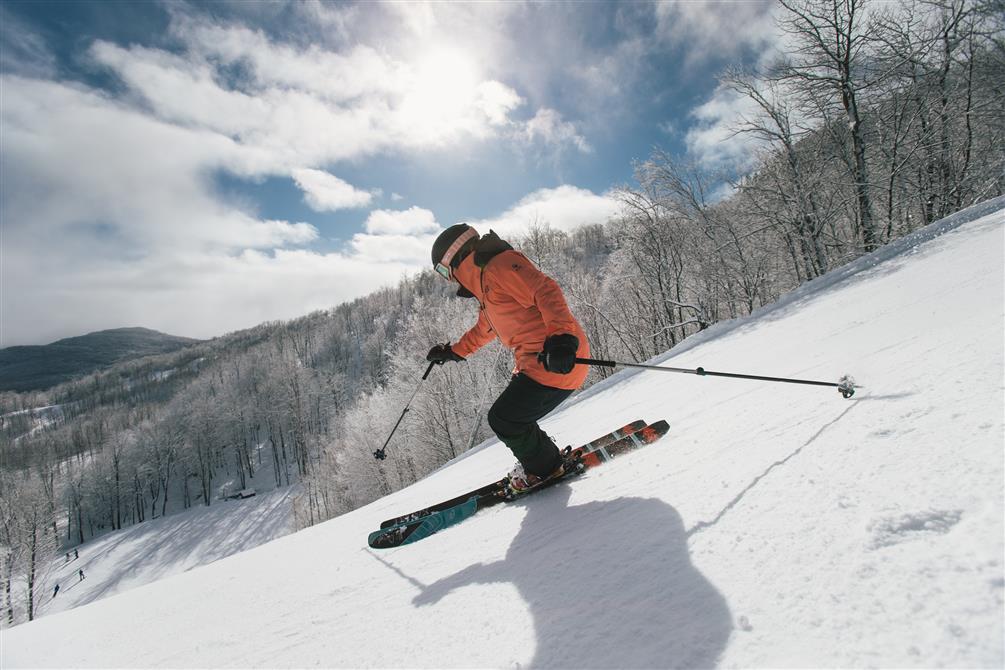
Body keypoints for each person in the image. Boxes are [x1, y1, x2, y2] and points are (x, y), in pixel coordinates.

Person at [427, 224, 590, 491]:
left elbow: (545, 290)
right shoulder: (486, 288)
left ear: (455, 258)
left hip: (558, 358)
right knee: (513, 416)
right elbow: (484, 330)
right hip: (540, 363)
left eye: (444, 271)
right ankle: (544, 459)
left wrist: (561, 339)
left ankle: (546, 468)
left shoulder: (500, 266)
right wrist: (453, 352)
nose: (449, 279)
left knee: (505, 418)